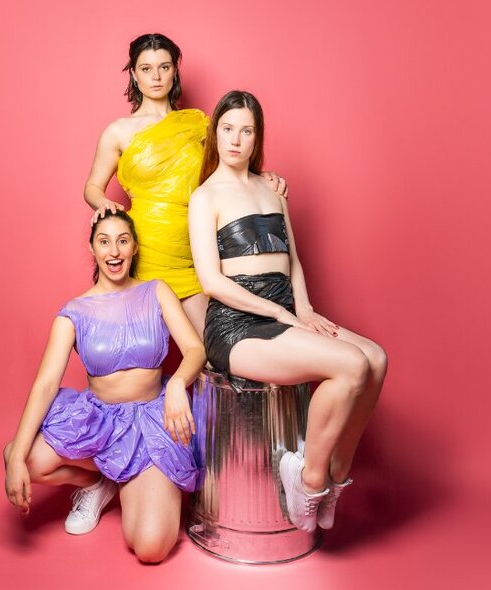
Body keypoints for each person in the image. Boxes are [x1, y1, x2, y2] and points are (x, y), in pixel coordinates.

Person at [188, 90, 388, 533]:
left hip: (285, 309)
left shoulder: (272, 188)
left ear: (257, 137)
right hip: (237, 325)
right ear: (214, 132)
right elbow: (212, 282)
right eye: (227, 129)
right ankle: (307, 479)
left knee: (375, 358)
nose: (236, 139)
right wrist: (282, 316)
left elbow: (293, 261)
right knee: (351, 364)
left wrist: (306, 309)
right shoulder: (205, 197)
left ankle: (334, 478)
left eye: (246, 130)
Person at [3, 210, 205, 563]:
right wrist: (18, 457)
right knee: (18, 457)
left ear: (135, 247)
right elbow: (46, 383)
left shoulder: (155, 292)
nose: (114, 251)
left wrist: (177, 386)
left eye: (123, 241)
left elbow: (194, 349)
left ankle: (139, 481)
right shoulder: (74, 312)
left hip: (153, 426)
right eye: (105, 241)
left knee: (151, 548)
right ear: (92, 249)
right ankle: (96, 484)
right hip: (100, 426)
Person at [83, 33, 288, 333]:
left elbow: (232, 164)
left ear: (175, 72)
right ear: (134, 74)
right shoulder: (118, 132)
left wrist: (263, 175)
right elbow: (91, 187)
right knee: (137, 347)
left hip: (194, 249)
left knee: (212, 349)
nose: (156, 76)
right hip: (145, 249)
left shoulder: (198, 124)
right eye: (146, 68)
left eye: (164, 67)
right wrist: (103, 202)